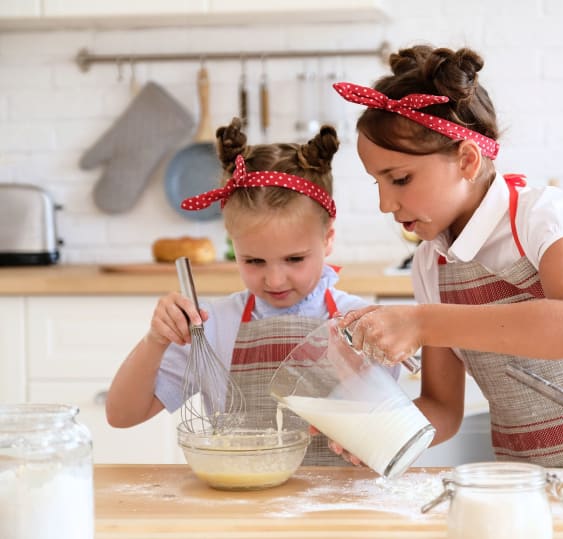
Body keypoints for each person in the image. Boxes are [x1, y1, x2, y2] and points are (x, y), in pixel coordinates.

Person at [332, 45, 563, 467]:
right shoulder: (431, 264)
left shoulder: (539, 216)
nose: (385, 204)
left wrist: (421, 322)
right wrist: (373, 431)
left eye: (399, 179)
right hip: (525, 478)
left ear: (467, 160)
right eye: (376, 183)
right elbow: (442, 409)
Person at [105, 119, 371, 465]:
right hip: (237, 507)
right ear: (233, 247)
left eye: (294, 259)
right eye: (254, 260)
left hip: (333, 509)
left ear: (328, 239)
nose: (274, 280)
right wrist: (155, 341)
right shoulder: (212, 326)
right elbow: (122, 415)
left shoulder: (361, 323)